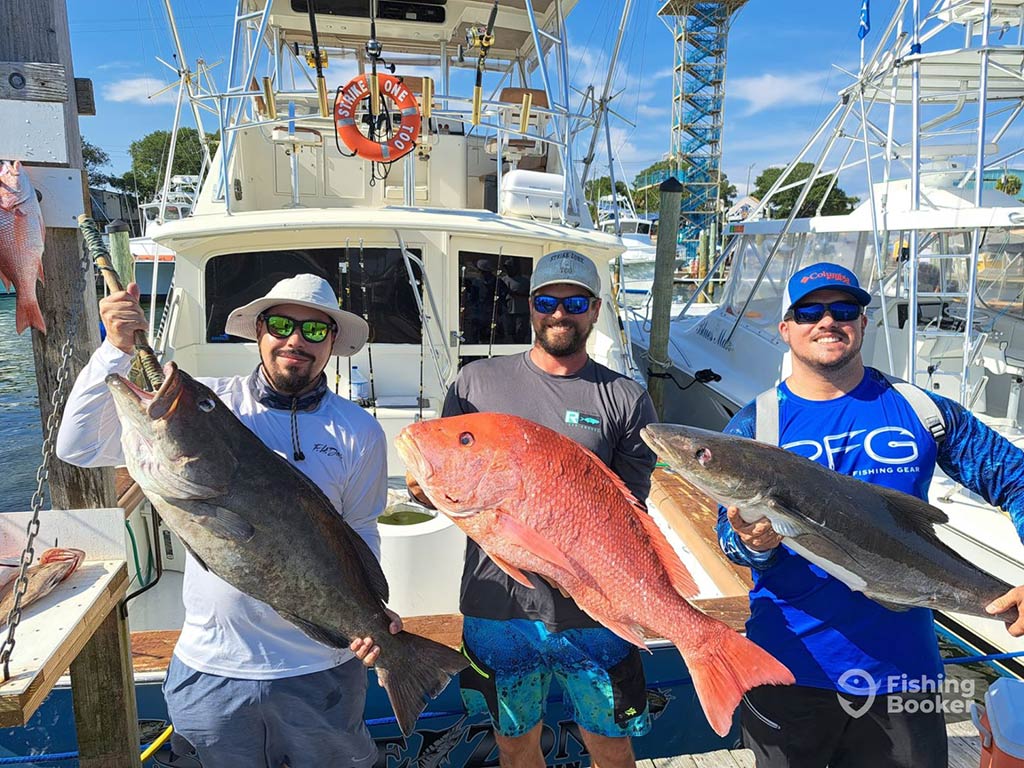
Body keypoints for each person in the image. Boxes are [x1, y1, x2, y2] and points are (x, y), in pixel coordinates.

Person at [56, 274, 401, 768]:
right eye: (281, 324)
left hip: (321, 667)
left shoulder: (358, 430)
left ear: (332, 345)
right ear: (259, 331)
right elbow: (79, 446)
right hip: (212, 665)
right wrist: (114, 349)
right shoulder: (215, 400)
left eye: (315, 331)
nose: (295, 340)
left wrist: (371, 612)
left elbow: (361, 527)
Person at [717, 262, 1024, 768]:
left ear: (863, 322)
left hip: (906, 670)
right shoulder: (757, 422)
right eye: (809, 311)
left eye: (843, 310)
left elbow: (1014, 476)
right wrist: (751, 543)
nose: (827, 321)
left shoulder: (921, 408)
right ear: (786, 328)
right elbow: (725, 536)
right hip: (789, 666)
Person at [407, 249, 657, 768]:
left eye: (575, 301)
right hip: (496, 611)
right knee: (513, 743)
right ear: (531, 306)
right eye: (548, 300)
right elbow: (448, 466)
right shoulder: (475, 383)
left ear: (595, 309)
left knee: (611, 746)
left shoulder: (626, 397)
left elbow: (631, 510)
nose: (560, 312)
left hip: (593, 613)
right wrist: (423, 485)